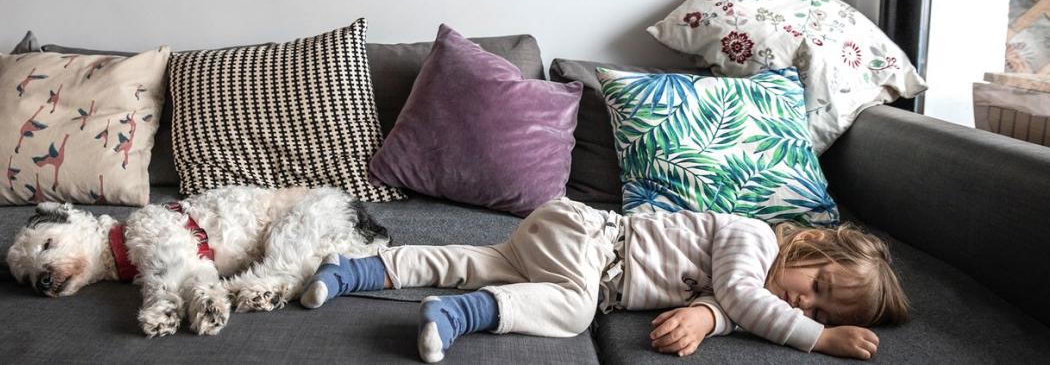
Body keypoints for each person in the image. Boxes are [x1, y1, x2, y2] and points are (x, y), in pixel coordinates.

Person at [300, 197, 909, 362]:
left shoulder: (743, 278)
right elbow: (743, 297)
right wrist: (818, 339)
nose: (805, 303)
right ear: (809, 244)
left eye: (824, 313)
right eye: (820, 287)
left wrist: (703, 317)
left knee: (469, 260)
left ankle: (353, 270)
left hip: (562, 249)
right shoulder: (752, 239)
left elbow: (726, 301)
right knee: (571, 311)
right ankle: (459, 315)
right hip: (589, 240)